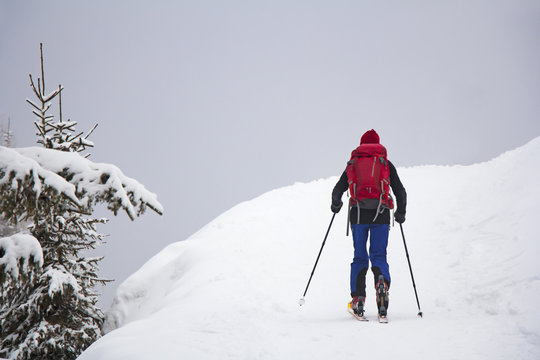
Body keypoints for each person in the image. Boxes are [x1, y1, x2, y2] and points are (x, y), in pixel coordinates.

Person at [331, 129, 407, 319]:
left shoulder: (353, 162)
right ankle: (381, 282)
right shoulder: (385, 163)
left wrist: (336, 204)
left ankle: (358, 300)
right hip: (381, 214)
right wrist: (400, 213)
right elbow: (400, 191)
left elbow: (337, 189)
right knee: (379, 255)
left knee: (359, 256)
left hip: (358, 215)